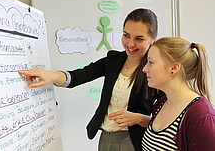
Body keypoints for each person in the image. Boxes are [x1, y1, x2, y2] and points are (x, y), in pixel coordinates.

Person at [19, 8, 164, 151]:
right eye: (126, 35)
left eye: (139, 39)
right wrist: (50, 75)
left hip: (135, 141)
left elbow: (170, 116)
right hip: (105, 138)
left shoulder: (155, 70)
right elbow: (79, 76)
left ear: (153, 39)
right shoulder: (113, 60)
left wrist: (140, 119)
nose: (130, 44)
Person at [142, 37, 215, 151]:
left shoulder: (201, 116)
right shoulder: (160, 104)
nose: (144, 69)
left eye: (151, 62)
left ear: (174, 68)